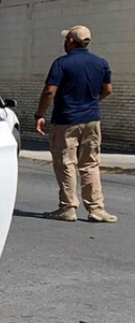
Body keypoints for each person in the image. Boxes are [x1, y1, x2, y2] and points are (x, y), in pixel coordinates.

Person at [34, 25, 116, 223]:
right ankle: (96, 208)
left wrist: (39, 114)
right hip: (92, 120)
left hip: (66, 120)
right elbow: (108, 89)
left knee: (66, 163)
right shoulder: (101, 63)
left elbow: (49, 91)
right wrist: (92, 102)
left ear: (70, 41)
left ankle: (68, 207)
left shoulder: (62, 63)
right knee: (90, 164)